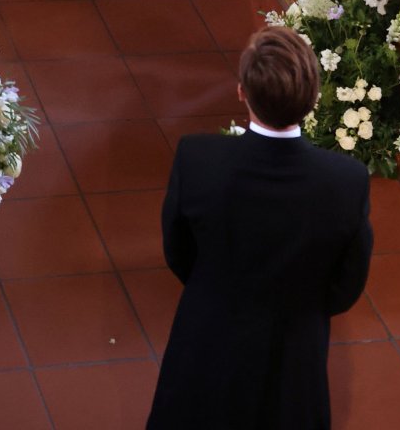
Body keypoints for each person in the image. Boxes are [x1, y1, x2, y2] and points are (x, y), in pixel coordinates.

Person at [147, 25, 371, 430]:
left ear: (241, 93)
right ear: (314, 97)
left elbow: (178, 252)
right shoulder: (346, 181)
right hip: (294, 359)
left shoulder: (198, 161)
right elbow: (345, 285)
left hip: (206, 344)